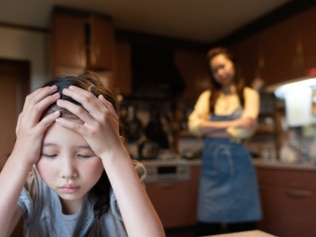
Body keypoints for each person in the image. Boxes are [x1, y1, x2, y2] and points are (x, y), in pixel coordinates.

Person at [0, 73, 165, 237]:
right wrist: (20, 154)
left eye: (84, 155)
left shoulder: (120, 178)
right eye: (50, 154)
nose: (67, 172)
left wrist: (114, 153)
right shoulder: (31, 183)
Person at [188, 47, 262, 235]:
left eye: (223, 66)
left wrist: (209, 128)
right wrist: (236, 122)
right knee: (207, 226)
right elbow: (194, 126)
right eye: (215, 70)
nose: (220, 73)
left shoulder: (249, 95)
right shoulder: (207, 97)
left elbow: (246, 130)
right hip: (212, 167)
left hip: (240, 167)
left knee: (243, 226)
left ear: (234, 65)